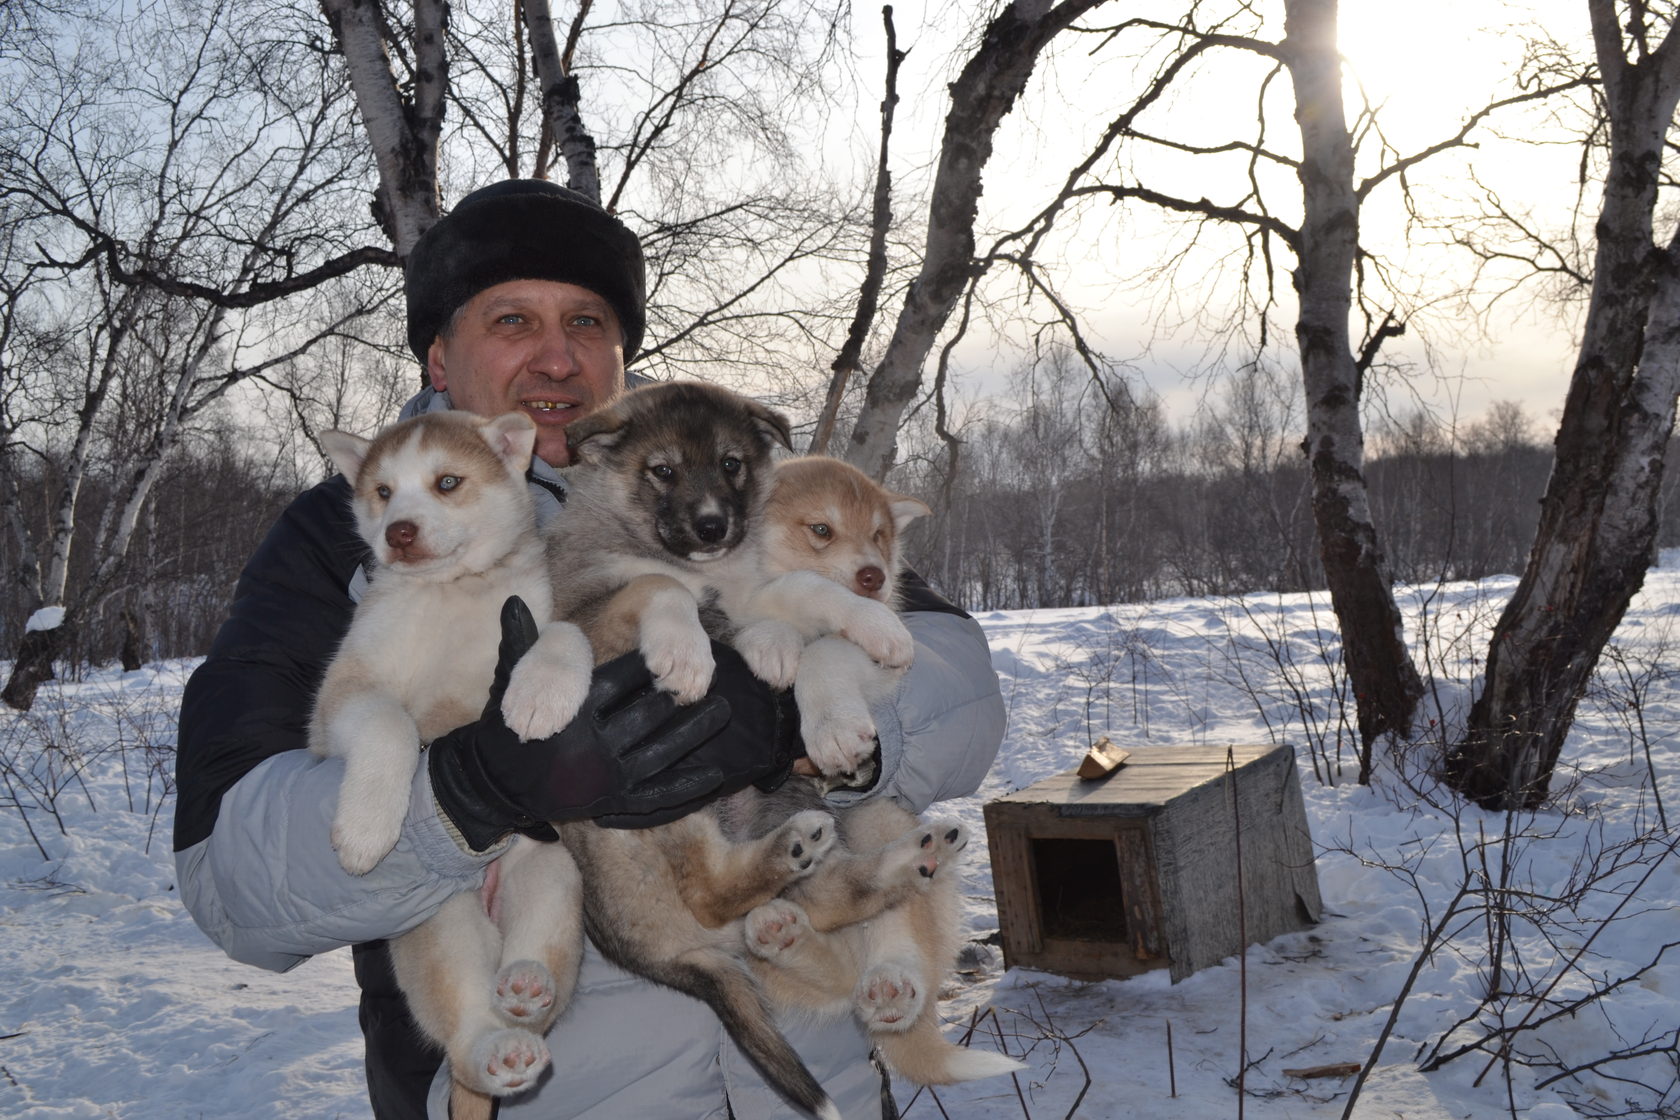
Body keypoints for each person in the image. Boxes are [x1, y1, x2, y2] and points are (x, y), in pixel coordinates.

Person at [173, 179, 1007, 1120]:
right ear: (440, 355)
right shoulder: (355, 533)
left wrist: (800, 722)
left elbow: (958, 678)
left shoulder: (723, 478)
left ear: (621, 354)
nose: (557, 356)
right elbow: (228, 878)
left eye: (587, 321)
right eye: (513, 320)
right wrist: (462, 794)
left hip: (810, 1068)